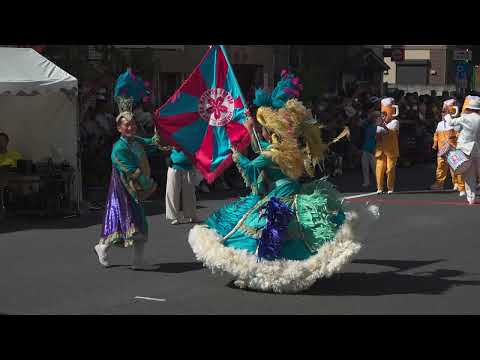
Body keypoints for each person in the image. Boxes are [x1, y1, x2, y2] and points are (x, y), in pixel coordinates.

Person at [188, 72, 379, 293]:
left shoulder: (271, 153)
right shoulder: (291, 150)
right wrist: (251, 132)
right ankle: (287, 270)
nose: (263, 133)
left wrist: (237, 155)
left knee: (264, 238)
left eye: (264, 130)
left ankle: (265, 273)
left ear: (271, 132)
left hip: (279, 200)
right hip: (298, 198)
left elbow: (253, 168)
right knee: (297, 239)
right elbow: (266, 156)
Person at [93, 109, 171, 269]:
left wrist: (161, 129)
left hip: (134, 191)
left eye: (133, 124)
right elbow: (131, 170)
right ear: (119, 128)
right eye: (127, 125)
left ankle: (135, 259)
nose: (131, 128)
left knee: (134, 224)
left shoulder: (135, 140)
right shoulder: (118, 149)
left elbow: (151, 143)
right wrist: (148, 183)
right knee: (126, 223)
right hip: (123, 192)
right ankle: (105, 248)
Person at [445, 97, 480, 205]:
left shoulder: (465, 118)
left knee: (469, 175)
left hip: (465, 148)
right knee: (477, 171)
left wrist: (447, 113)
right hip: (477, 148)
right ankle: (472, 196)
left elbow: (451, 123)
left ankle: (471, 197)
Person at [430, 99, 465, 195]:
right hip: (441, 150)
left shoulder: (455, 123)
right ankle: (439, 184)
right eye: (442, 112)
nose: (442, 114)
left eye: (444, 112)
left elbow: (459, 135)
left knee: (455, 167)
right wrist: (435, 143)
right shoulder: (440, 124)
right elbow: (436, 135)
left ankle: (457, 184)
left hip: (453, 149)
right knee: (440, 167)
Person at [165, 148, 198, 225]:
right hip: (174, 165)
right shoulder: (172, 136)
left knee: (189, 193)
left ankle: (191, 215)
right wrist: (167, 155)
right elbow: (164, 145)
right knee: (172, 192)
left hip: (189, 166)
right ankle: (174, 217)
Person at [375, 97, 400, 194]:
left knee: (390, 169)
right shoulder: (379, 124)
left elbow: (390, 132)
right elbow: (377, 137)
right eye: (382, 115)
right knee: (379, 169)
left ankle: (390, 187)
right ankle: (379, 188)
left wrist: (382, 126)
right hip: (380, 150)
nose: (383, 117)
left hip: (391, 150)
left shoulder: (395, 122)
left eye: (384, 115)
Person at [360, 111, 379, 187]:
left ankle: (379, 182)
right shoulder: (368, 125)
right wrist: (369, 117)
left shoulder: (379, 127)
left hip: (373, 149)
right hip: (365, 149)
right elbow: (361, 123)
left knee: (374, 168)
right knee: (365, 167)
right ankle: (366, 182)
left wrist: (375, 149)